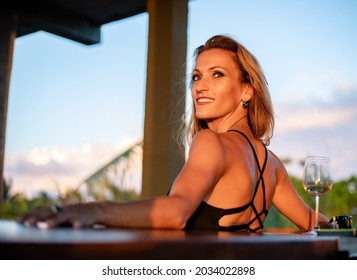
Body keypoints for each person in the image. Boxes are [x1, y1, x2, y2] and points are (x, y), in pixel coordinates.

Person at [17, 34, 330, 232]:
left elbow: (177, 212)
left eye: (217, 75)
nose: (200, 87)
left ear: (247, 90)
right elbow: (314, 223)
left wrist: (88, 210)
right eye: (196, 76)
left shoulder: (211, 142)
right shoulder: (271, 163)